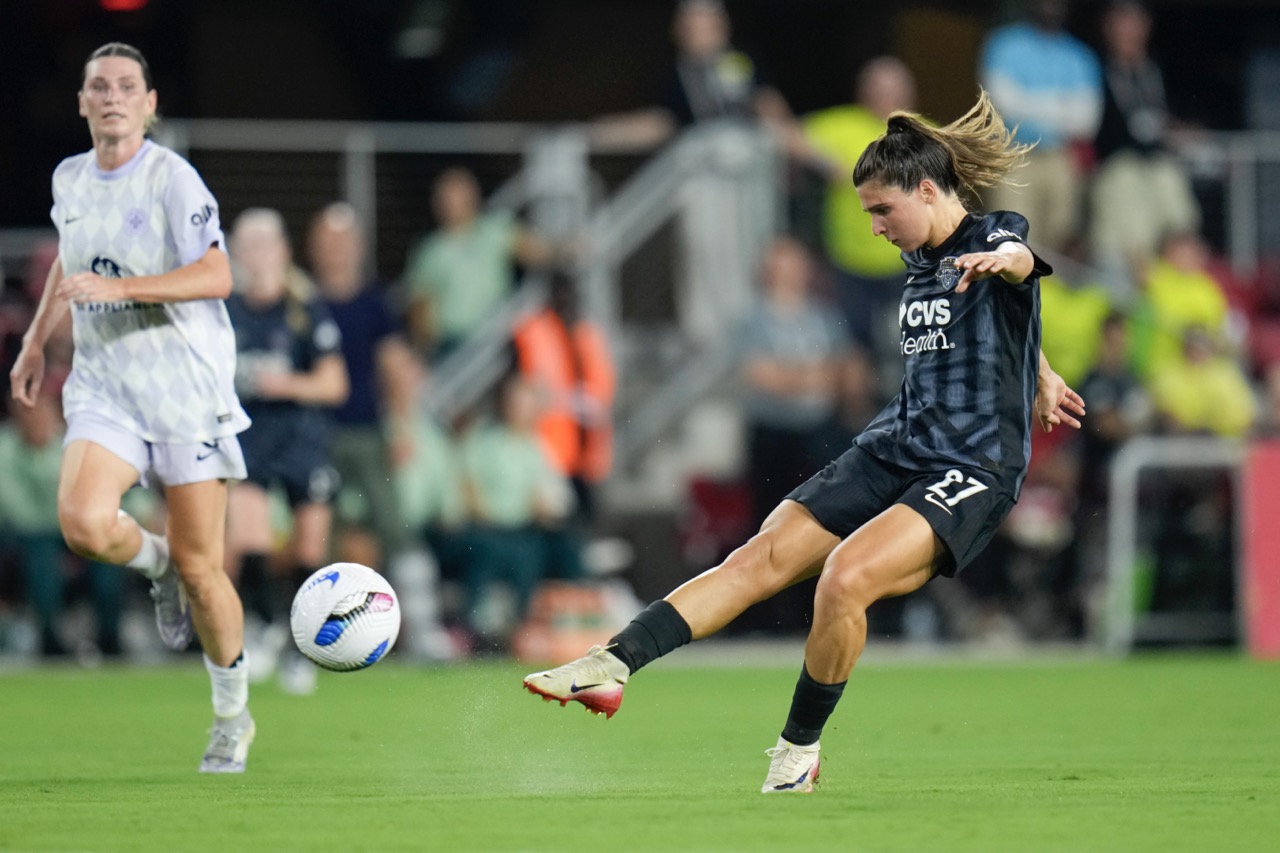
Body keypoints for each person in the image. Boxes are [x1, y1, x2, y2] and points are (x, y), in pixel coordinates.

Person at [523, 90, 1085, 793]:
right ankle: (612, 664)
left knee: (843, 578)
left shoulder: (992, 236)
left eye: (883, 210)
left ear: (931, 189)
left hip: (971, 465)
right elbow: (993, 325)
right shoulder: (918, 260)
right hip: (895, 442)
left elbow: (1020, 263)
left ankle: (796, 752)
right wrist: (1039, 367)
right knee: (759, 557)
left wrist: (1008, 264)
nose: (875, 227)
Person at [7, 43, 255, 771]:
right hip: (107, 383)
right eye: (98, 87)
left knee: (206, 570)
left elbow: (218, 272)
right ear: (82, 102)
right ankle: (157, 568)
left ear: (149, 103)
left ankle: (231, 713)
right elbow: (69, 265)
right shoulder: (70, 179)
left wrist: (124, 290)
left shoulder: (173, 179)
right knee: (83, 521)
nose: (112, 96)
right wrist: (32, 340)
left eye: (126, 86)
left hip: (186, 389)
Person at [224, 208, 348, 695]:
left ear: (282, 251)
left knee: (308, 550)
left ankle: (302, 651)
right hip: (249, 435)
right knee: (250, 540)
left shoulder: (304, 308)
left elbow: (334, 384)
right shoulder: (226, 311)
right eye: (246, 246)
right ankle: (267, 623)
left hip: (300, 435)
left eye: (264, 245)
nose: (255, 256)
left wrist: (286, 383)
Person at [802, 57, 917, 363]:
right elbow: (789, 134)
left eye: (893, 91)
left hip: (906, 263)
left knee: (910, 347)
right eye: (878, 90)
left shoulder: (925, 134)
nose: (886, 97)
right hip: (849, 261)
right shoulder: (842, 123)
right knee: (854, 349)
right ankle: (861, 411)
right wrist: (822, 162)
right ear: (863, 92)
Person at [1090, 0, 1200, 295]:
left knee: (1176, 196)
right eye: (1122, 21)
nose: (1129, 30)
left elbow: (1169, 120)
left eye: (1135, 22)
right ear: (1108, 26)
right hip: (1117, 166)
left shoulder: (1155, 71)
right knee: (1126, 207)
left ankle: (1183, 291)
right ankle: (1129, 291)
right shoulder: (1095, 68)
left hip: (1156, 165)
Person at [980, 0, 1103, 253]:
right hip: (1013, 153)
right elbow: (1005, 106)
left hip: (1060, 158)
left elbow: (1086, 123)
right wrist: (1062, 105)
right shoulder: (1003, 44)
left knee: (1060, 243)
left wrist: (1030, 101)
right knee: (1010, 240)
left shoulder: (1080, 55)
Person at [402, 167, 555, 362]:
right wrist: (425, 347)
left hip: (497, 336)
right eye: (445, 199)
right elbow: (420, 304)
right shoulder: (430, 251)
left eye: (456, 197)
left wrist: (564, 250)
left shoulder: (494, 230)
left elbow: (531, 249)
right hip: (452, 344)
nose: (451, 205)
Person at [512, 269, 616, 524]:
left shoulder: (586, 332)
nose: (566, 300)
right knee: (558, 517)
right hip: (549, 445)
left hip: (586, 444)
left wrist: (590, 400)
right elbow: (526, 383)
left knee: (587, 515)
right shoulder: (533, 330)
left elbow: (604, 383)